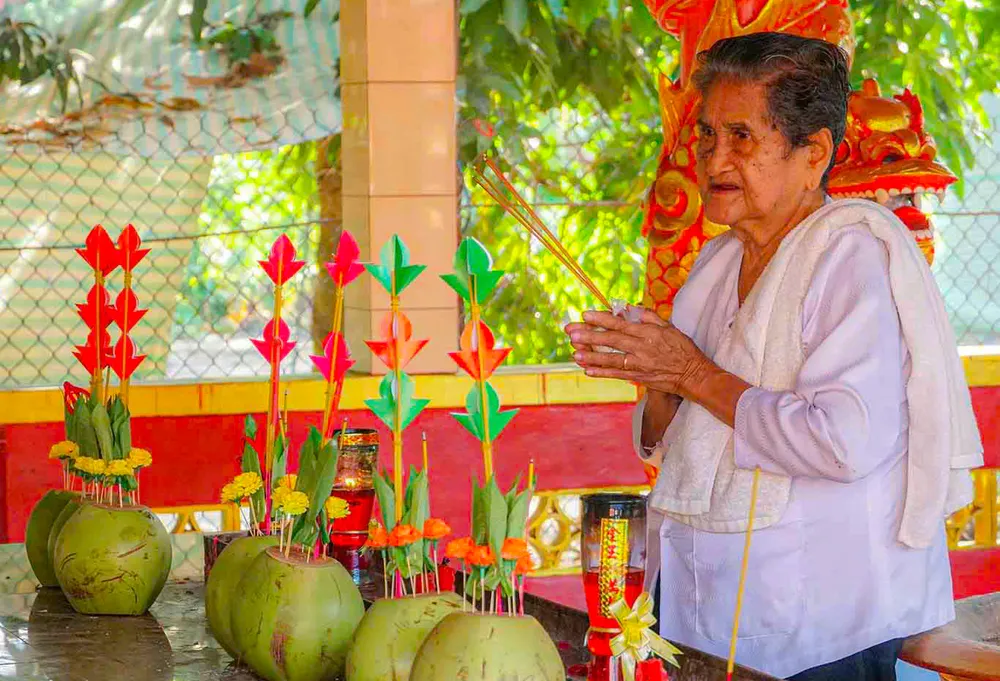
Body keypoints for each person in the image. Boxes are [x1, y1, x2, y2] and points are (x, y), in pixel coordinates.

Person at [565, 32, 982, 680]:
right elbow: (667, 438)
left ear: (812, 152)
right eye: (706, 136)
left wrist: (690, 370)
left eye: (741, 137)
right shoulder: (715, 264)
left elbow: (842, 442)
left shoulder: (851, 258)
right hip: (703, 613)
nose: (713, 159)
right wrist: (658, 373)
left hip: (823, 625)